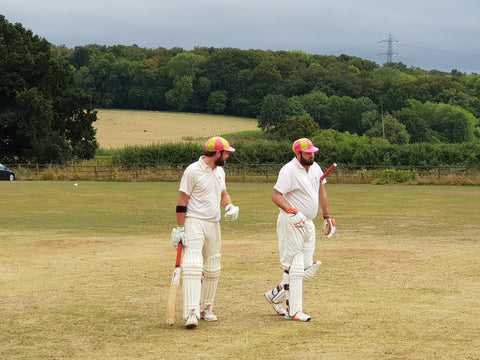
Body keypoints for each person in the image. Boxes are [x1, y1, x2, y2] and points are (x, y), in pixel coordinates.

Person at [171, 136, 239, 329]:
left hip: (213, 223)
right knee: (193, 266)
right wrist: (180, 228)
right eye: (226, 153)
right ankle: (191, 313)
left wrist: (229, 207)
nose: (227, 156)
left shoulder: (220, 171)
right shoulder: (192, 171)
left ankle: (205, 309)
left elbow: (222, 194)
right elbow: (182, 200)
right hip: (194, 222)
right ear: (217, 153)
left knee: (212, 266)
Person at [265, 138, 336, 322]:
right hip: (292, 222)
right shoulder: (288, 170)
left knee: (305, 268)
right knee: (294, 267)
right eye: (308, 153)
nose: (312, 155)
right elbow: (276, 196)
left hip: (309, 223)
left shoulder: (316, 168)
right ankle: (293, 311)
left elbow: (321, 192)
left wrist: (327, 215)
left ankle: (275, 295)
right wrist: (291, 210)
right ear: (298, 154)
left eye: (313, 152)